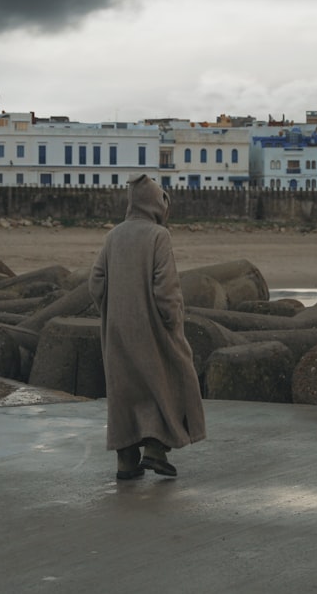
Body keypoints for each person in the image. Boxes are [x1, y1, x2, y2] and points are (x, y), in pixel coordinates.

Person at [89, 174, 206, 480]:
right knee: (168, 379)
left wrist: (112, 311)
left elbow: (96, 281)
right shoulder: (158, 236)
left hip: (116, 330)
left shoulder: (112, 236)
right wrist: (173, 323)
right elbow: (166, 291)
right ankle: (155, 449)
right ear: (155, 203)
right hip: (152, 328)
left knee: (125, 392)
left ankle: (126, 461)